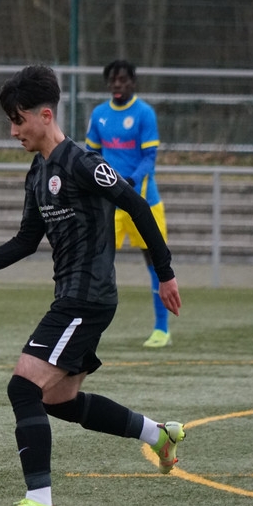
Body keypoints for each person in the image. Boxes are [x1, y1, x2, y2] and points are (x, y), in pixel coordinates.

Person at [0, 66, 185, 506]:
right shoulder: (37, 172)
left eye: (18, 120)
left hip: (86, 299)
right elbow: (25, 241)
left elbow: (136, 204)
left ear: (45, 115)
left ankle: (40, 503)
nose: (13, 131)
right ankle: (159, 434)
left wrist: (165, 274)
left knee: (22, 387)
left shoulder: (84, 163)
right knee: (58, 401)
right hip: (74, 298)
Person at [85, 59, 171, 348]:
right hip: (109, 205)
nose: (117, 84)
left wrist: (129, 183)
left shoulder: (144, 113)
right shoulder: (99, 114)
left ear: (133, 82)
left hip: (144, 202)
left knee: (156, 264)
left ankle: (162, 329)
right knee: (97, 264)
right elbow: (90, 155)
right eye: (112, 80)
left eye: (123, 79)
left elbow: (149, 158)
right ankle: (87, 330)